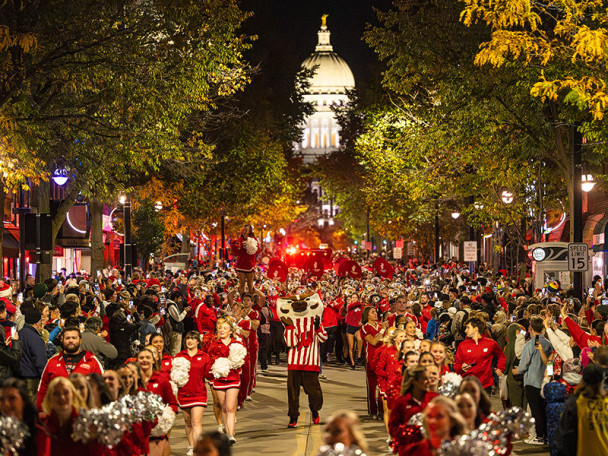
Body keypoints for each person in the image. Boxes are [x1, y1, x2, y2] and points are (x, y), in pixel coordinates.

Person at [36, 326, 104, 409]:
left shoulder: (92, 361)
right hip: (58, 412)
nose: (71, 340)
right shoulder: (53, 361)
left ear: (80, 340)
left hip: (84, 412)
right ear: (62, 340)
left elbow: (102, 388)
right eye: (67, 338)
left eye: (74, 338)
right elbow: (43, 388)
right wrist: (41, 411)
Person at [282, 304, 327, 429]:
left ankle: (315, 410)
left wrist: (317, 328)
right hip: (294, 363)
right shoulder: (290, 321)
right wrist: (289, 327)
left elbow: (324, 338)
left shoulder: (315, 320)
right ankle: (293, 417)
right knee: (293, 393)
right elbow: (291, 343)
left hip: (310, 363)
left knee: (314, 392)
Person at [35, 376, 104, 456]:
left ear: (73, 395)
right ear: (50, 398)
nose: (62, 397)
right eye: (56, 393)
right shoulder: (40, 424)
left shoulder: (87, 424)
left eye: (66, 392)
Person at [513, 315, 553, 445]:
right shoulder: (548, 343)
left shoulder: (529, 345)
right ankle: (546, 435)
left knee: (536, 411)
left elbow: (523, 366)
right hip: (546, 380)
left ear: (530, 328)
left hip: (532, 381)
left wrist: (516, 371)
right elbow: (550, 363)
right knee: (544, 409)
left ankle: (540, 436)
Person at [207, 318, 246, 445]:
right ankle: (227, 432)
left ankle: (231, 434)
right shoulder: (214, 345)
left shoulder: (236, 345)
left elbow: (240, 362)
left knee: (230, 407)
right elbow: (210, 361)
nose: (222, 330)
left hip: (233, 379)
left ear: (230, 331)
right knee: (223, 407)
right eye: (220, 328)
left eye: (225, 328)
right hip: (219, 380)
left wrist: (232, 363)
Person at [555, 363, 608, 456]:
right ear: (602, 381)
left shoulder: (576, 403)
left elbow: (565, 437)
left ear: (583, 379)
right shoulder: (606, 402)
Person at [173, 331, 212, 456]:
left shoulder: (204, 356)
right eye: (188, 338)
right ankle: (190, 445)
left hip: (199, 393)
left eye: (193, 338)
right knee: (188, 423)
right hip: (184, 394)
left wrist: (217, 369)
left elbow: (208, 375)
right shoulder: (179, 356)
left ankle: (197, 449)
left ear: (197, 342)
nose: (190, 341)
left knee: (196, 422)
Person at [137, 348, 178, 456]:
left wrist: (166, 419)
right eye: (141, 358)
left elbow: (173, 403)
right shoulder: (133, 382)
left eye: (147, 357)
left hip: (156, 435)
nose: (144, 360)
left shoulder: (162, 380)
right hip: (137, 434)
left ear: (153, 360)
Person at [389, 365, 438, 453]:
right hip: (409, 451)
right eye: (424, 379)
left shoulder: (434, 398)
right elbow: (392, 428)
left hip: (430, 450)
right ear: (414, 381)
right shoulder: (402, 402)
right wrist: (410, 431)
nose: (428, 382)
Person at [400, 396, 469, 456]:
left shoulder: (463, 451)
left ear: (452, 421)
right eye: (429, 416)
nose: (432, 421)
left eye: (439, 416)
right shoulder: (412, 452)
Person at [453, 316, 506, 393]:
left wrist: (500, 368)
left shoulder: (491, 343)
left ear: (476, 329)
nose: (465, 331)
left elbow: (501, 355)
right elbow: (456, 364)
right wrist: (461, 368)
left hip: (485, 385)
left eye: (468, 328)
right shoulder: (462, 345)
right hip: (467, 385)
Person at [0, 377, 38, 456]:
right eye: (2, 399)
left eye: (12, 398)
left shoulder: (39, 431)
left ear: (24, 401)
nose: (6, 404)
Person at [359, 306, 385, 419]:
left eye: (376, 312)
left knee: (382, 386)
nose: (375, 314)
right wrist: (383, 331)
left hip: (382, 359)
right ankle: (373, 411)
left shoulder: (380, 326)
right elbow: (373, 341)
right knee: (372, 387)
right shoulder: (365, 327)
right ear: (367, 315)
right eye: (372, 312)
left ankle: (382, 410)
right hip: (371, 360)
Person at [18, 307, 48, 402]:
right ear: (37, 322)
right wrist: (45, 378)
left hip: (18, 376)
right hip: (31, 378)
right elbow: (40, 361)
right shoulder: (36, 338)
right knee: (30, 406)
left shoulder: (19, 333)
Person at [232, 225, 260, 295]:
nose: (244, 231)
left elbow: (258, 250)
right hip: (241, 265)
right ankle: (242, 301)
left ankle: (251, 300)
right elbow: (235, 253)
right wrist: (236, 247)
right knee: (241, 285)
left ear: (250, 231)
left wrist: (252, 247)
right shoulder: (239, 240)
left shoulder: (254, 240)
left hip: (250, 265)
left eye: (246, 230)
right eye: (243, 230)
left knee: (250, 285)